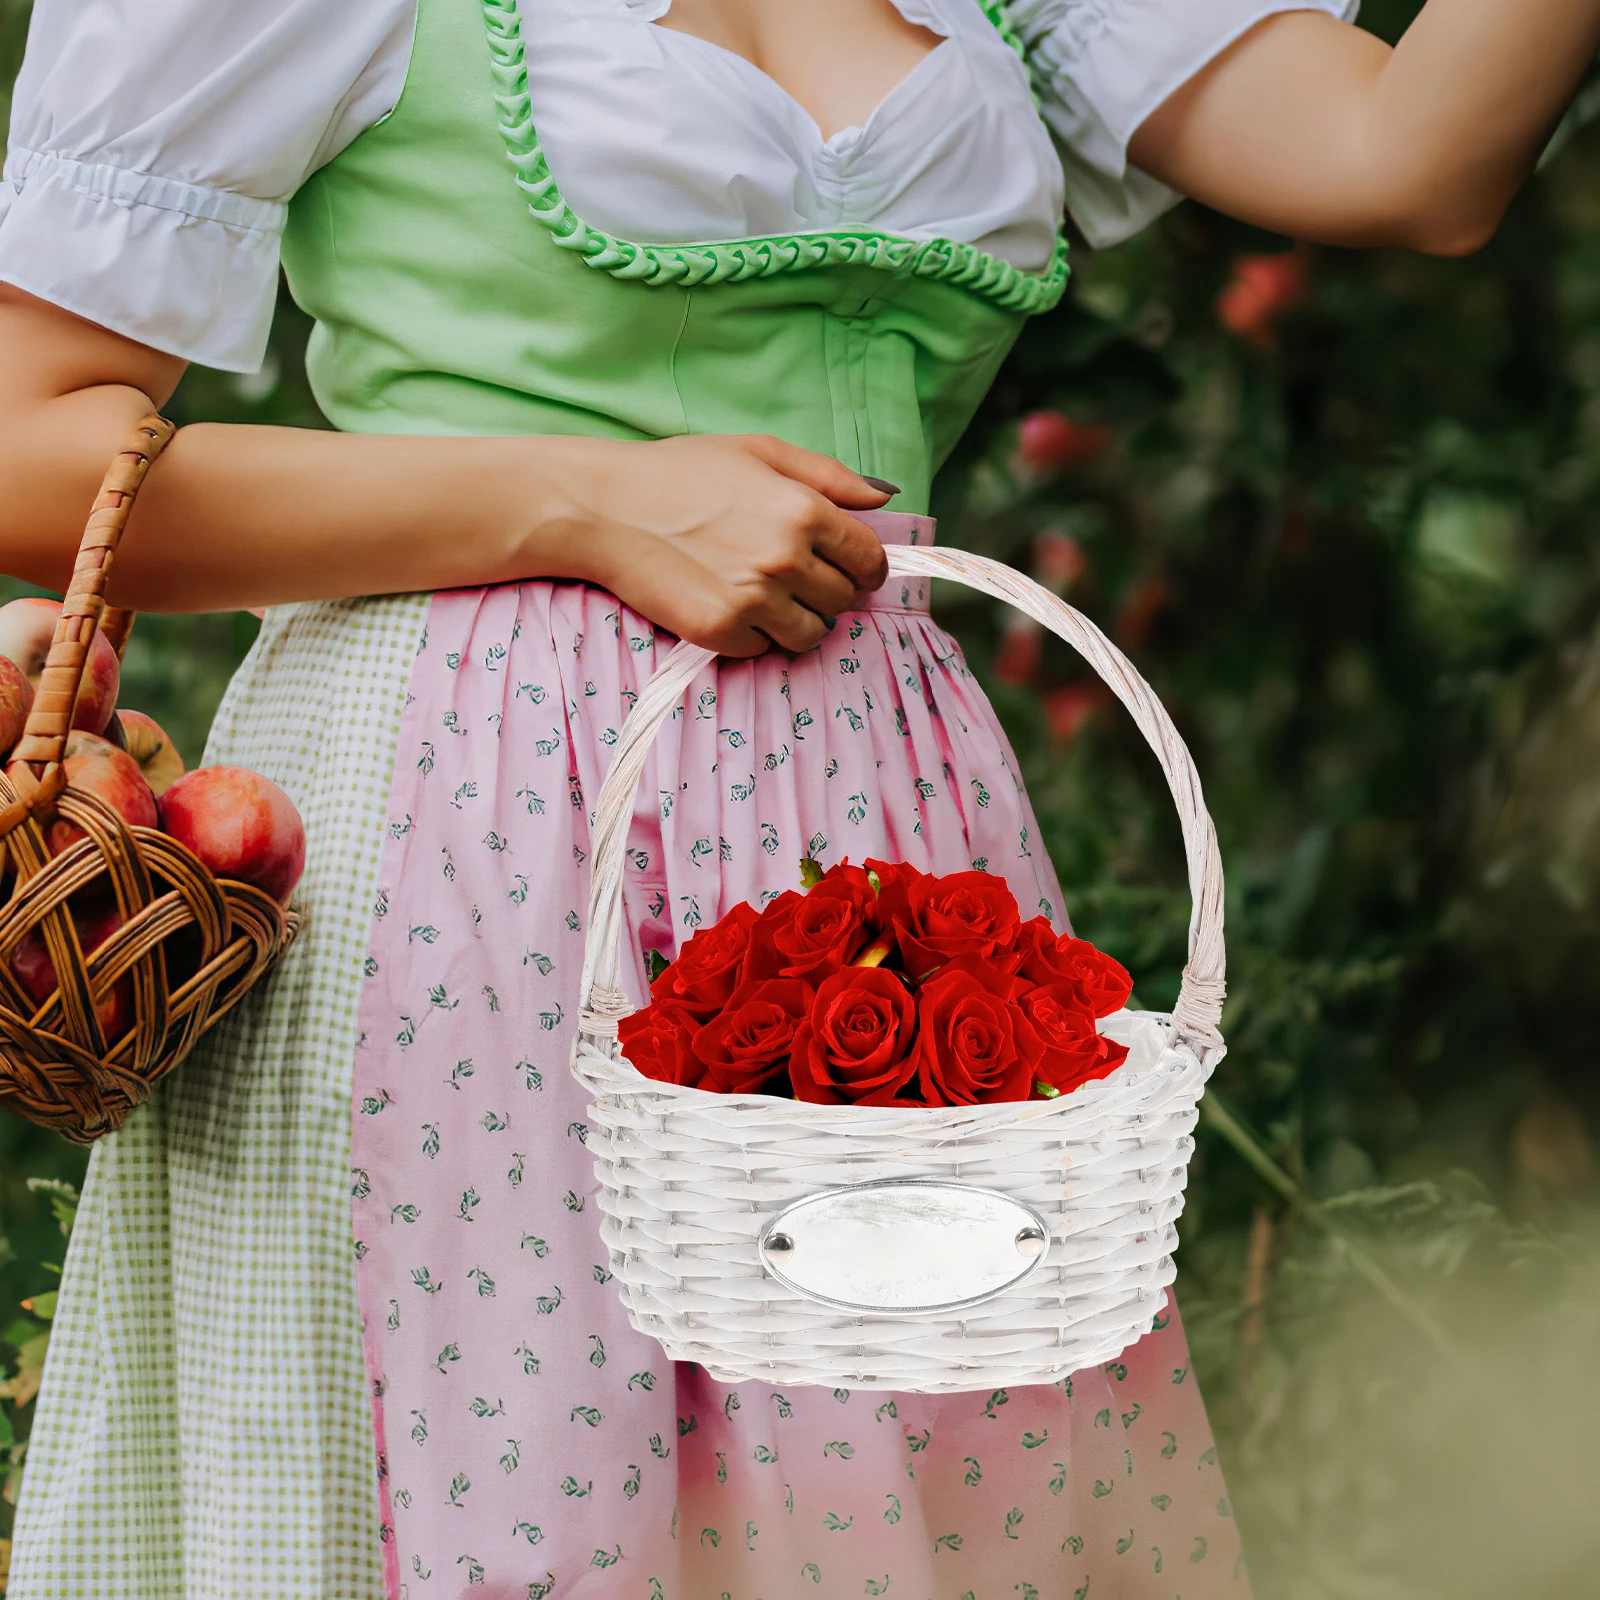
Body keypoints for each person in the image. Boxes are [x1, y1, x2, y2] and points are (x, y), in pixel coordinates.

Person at [1, 0, 1595, 1595]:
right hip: (482, 831)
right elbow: (26, 448)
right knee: (534, 1491)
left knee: (940, 1499)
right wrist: (581, 499)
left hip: (887, 835)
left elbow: (1416, 155)